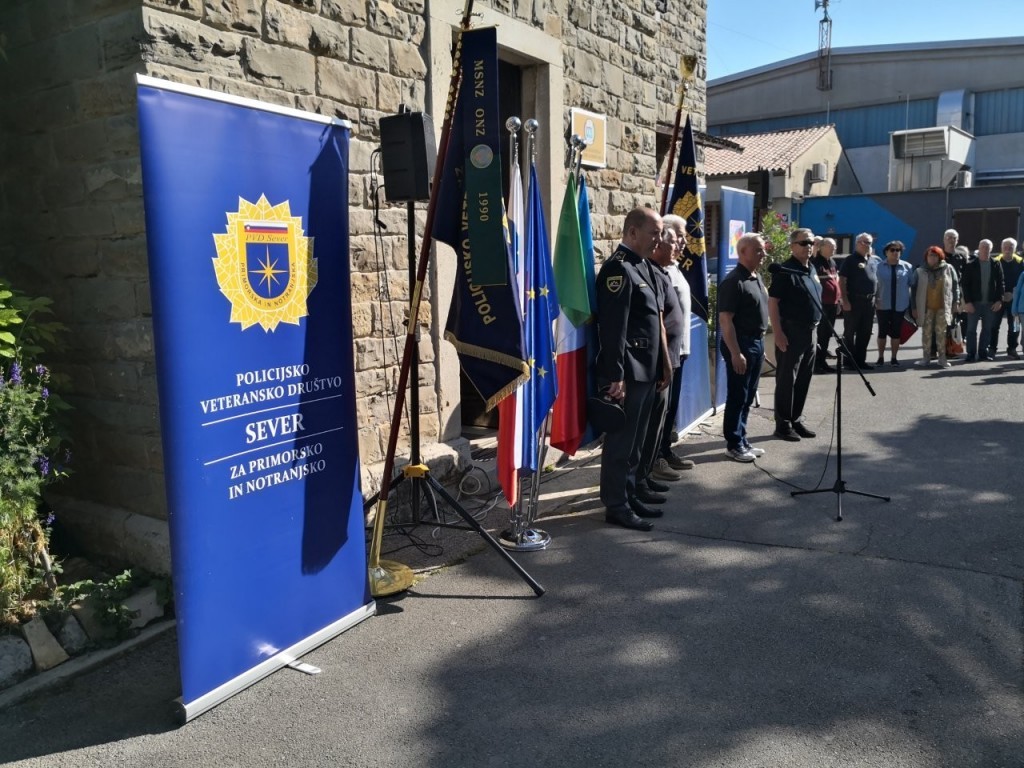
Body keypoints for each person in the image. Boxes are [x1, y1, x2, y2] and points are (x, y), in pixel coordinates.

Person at [594, 207, 671, 531]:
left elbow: (655, 322)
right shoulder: (619, 268)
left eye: (661, 233)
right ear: (633, 232)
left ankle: (630, 492)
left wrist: (663, 363)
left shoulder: (645, 267)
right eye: (654, 233)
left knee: (636, 442)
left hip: (648, 370)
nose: (659, 240)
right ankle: (616, 505)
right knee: (621, 444)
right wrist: (616, 376)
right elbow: (614, 328)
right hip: (629, 372)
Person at [632, 229, 686, 506]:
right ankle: (636, 483)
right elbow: (659, 324)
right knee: (644, 429)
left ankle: (644, 476)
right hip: (655, 364)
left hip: (669, 360)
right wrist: (665, 363)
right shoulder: (646, 273)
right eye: (672, 241)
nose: (678, 246)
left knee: (656, 425)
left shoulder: (662, 273)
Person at [718, 232, 770, 462]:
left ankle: (742, 438)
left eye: (763, 249)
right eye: (758, 250)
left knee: (748, 396)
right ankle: (733, 444)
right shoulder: (734, 281)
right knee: (738, 396)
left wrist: (760, 346)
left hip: (756, 342)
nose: (763, 253)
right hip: (741, 344)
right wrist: (735, 352)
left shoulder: (755, 277)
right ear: (742, 252)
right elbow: (725, 320)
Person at [768, 227, 823, 441]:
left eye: (811, 243)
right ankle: (783, 424)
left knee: (803, 378)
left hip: (811, 331)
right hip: (791, 331)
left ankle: (796, 419)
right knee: (786, 380)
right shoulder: (785, 270)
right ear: (792, 246)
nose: (808, 246)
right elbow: (773, 303)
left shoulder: (811, 268)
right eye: (803, 243)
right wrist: (778, 333)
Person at [656, 214, 696, 473]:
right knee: (661, 410)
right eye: (679, 236)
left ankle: (665, 451)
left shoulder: (674, 267)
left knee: (670, 410)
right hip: (667, 351)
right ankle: (655, 458)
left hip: (680, 350)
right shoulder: (660, 270)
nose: (683, 242)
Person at [910, 246, 960, 369]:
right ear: (926, 257)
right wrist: (914, 308)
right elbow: (913, 290)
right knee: (926, 333)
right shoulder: (919, 271)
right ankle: (926, 358)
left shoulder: (948, 268)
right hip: (925, 308)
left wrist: (956, 302)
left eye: (935, 255)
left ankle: (942, 359)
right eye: (930, 255)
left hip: (943, 307)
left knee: (941, 333)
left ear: (940, 257)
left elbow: (955, 286)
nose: (932, 258)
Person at [960, 239, 1005, 362]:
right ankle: (971, 353)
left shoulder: (996, 264)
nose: (985, 249)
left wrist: (999, 300)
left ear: (991, 249)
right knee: (971, 330)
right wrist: (967, 302)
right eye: (983, 247)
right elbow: (964, 285)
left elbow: (1001, 283)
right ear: (979, 248)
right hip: (974, 303)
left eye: (987, 247)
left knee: (987, 329)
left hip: (990, 303)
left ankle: (983, 353)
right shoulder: (970, 264)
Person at [838, 232, 877, 369]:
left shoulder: (872, 260)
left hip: (869, 302)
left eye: (869, 243)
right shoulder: (850, 260)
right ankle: (849, 361)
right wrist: (845, 300)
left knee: (865, 333)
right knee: (850, 332)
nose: (867, 245)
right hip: (854, 300)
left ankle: (860, 361)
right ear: (857, 243)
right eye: (864, 242)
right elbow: (842, 280)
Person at [873, 240, 915, 366]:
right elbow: (874, 285)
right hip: (882, 304)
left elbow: (912, 285)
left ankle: (894, 358)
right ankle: (880, 357)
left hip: (900, 305)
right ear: (886, 252)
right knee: (882, 332)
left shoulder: (907, 267)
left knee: (896, 332)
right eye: (892, 250)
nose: (895, 252)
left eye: (898, 250)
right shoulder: (878, 267)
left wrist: (913, 306)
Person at [810, 236, 841, 372]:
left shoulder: (832, 262)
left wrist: (838, 301)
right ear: (821, 247)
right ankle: (816, 364)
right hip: (821, 305)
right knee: (820, 335)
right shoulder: (815, 263)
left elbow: (835, 282)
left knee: (827, 335)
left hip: (832, 304)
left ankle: (822, 362)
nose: (834, 248)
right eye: (831, 246)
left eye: (835, 246)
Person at [989, 238, 1022, 359]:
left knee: (1015, 326)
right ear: (1001, 248)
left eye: (1010, 247)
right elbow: (991, 282)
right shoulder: (994, 262)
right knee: (994, 325)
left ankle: (1012, 349)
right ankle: (992, 349)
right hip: (998, 299)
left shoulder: (1021, 262)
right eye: (1005, 247)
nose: (1008, 249)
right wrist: (1001, 295)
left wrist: (1013, 294)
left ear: (1015, 249)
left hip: (1016, 301)